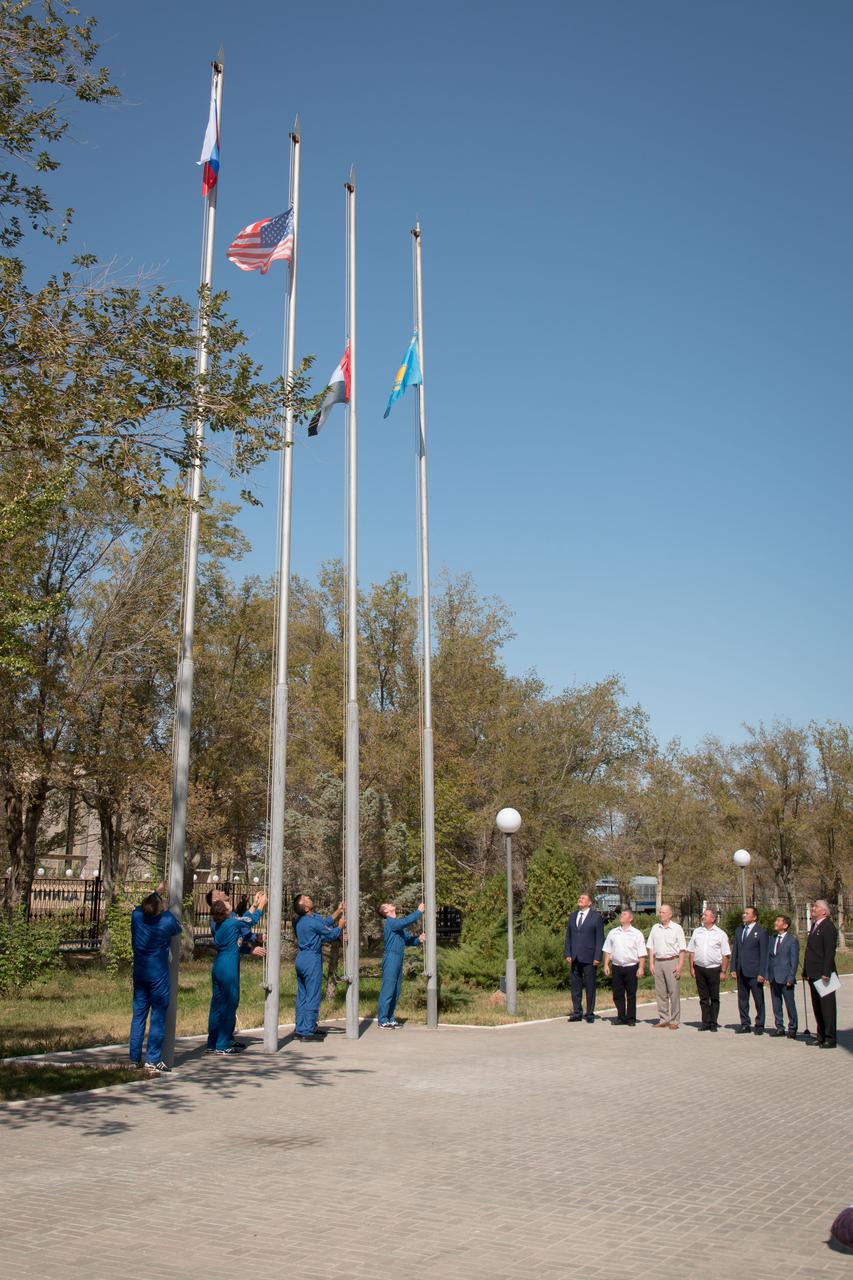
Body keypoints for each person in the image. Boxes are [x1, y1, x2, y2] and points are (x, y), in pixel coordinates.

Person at [207, 890, 267, 1055]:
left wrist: (254, 904)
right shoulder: (232, 922)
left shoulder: (221, 924)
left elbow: (244, 918)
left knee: (217, 1004)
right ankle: (223, 1044)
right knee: (230, 1002)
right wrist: (262, 904)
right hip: (228, 966)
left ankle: (212, 1043)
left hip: (218, 964)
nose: (230, 905)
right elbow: (250, 920)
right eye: (227, 905)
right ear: (225, 912)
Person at [129, 888, 182, 1073]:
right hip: (158, 974)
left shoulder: (136, 917)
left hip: (140, 971)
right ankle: (152, 1058)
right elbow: (178, 928)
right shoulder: (166, 920)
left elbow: (138, 908)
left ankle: (134, 1059)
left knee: (138, 1015)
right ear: (160, 908)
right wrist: (166, 908)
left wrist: (155, 893)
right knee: (158, 1016)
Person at [293, 894, 345, 1043]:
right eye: (306, 898)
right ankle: (308, 1030)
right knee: (313, 994)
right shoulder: (311, 922)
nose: (309, 897)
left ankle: (300, 1027)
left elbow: (324, 922)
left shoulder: (302, 921)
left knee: (302, 994)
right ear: (307, 907)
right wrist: (340, 926)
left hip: (301, 958)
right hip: (311, 959)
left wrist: (338, 910)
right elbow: (330, 933)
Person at [377, 901, 426, 1028]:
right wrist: (418, 912)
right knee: (388, 990)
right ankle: (382, 1020)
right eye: (387, 904)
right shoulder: (391, 922)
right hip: (391, 957)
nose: (390, 903)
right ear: (386, 911)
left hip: (399, 957)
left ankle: (390, 1018)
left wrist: (418, 940)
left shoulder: (398, 926)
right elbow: (405, 921)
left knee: (396, 990)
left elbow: (408, 940)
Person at [802, 899, 838, 1049]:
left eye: (816, 906)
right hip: (813, 972)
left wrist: (826, 971)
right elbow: (810, 951)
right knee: (817, 1006)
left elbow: (829, 952)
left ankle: (830, 1038)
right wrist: (805, 970)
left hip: (824, 974)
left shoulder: (828, 927)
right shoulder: (815, 926)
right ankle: (821, 1035)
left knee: (827, 1007)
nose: (813, 908)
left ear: (824, 911)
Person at [687, 907, 730, 1032]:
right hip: (700, 968)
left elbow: (726, 954)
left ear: (713, 918)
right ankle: (705, 1022)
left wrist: (723, 971)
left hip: (714, 969)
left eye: (706, 915)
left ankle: (713, 1022)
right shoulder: (697, 932)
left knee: (714, 997)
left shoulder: (720, 934)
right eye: (703, 914)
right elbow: (691, 951)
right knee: (703, 998)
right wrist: (692, 968)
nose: (703, 916)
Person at [564, 892, 605, 1022]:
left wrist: (598, 956)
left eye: (583, 898)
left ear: (590, 902)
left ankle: (590, 1013)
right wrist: (567, 953)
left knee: (590, 986)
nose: (580, 899)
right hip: (575, 957)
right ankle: (577, 1012)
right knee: (575, 986)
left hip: (589, 957)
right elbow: (568, 936)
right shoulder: (573, 916)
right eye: (579, 897)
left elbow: (599, 938)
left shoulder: (596, 917)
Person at [602, 909, 647, 1025]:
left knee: (631, 994)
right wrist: (606, 964)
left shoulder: (637, 934)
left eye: (624, 914)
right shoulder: (613, 932)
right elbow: (607, 949)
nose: (621, 916)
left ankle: (631, 1018)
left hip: (631, 967)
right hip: (617, 967)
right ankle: (621, 1017)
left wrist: (641, 968)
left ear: (630, 918)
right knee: (617, 994)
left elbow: (642, 953)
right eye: (621, 914)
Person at [647, 904, 687, 1029]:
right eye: (660, 912)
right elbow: (651, 946)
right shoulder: (655, 928)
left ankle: (675, 1020)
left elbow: (682, 949)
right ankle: (663, 1018)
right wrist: (651, 963)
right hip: (658, 962)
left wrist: (680, 965)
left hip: (672, 961)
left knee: (673, 992)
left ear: (670, 914)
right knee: (660, 992)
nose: (660, 914)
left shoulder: (676, 928)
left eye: (663, 912)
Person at [731, 905, 769, 1035]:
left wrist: (762, 973)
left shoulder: (761, 932)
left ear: (754, 917)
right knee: (742, 999)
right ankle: (745, 1024)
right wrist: (733, 968)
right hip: (741, 970)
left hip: (754, 972)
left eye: (747, 913)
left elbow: (764, 954)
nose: (744, 915)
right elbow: (735, 949)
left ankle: (759, 1024)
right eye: (744, 913)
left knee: (758, 999)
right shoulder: (739, 930)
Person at [766, 914, 799, 1038]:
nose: (775, 922)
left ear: (785, 925)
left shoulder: (792, 940)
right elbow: (769, 958)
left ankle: (793, 1027)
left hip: (786, 978)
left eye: (778, 921)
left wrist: (791, 977)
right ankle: (779, 1027)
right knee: (776, 1003)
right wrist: (766, 974)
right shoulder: (772, 938)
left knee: (790, 1004)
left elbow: (794, 961)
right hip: (773, 976)